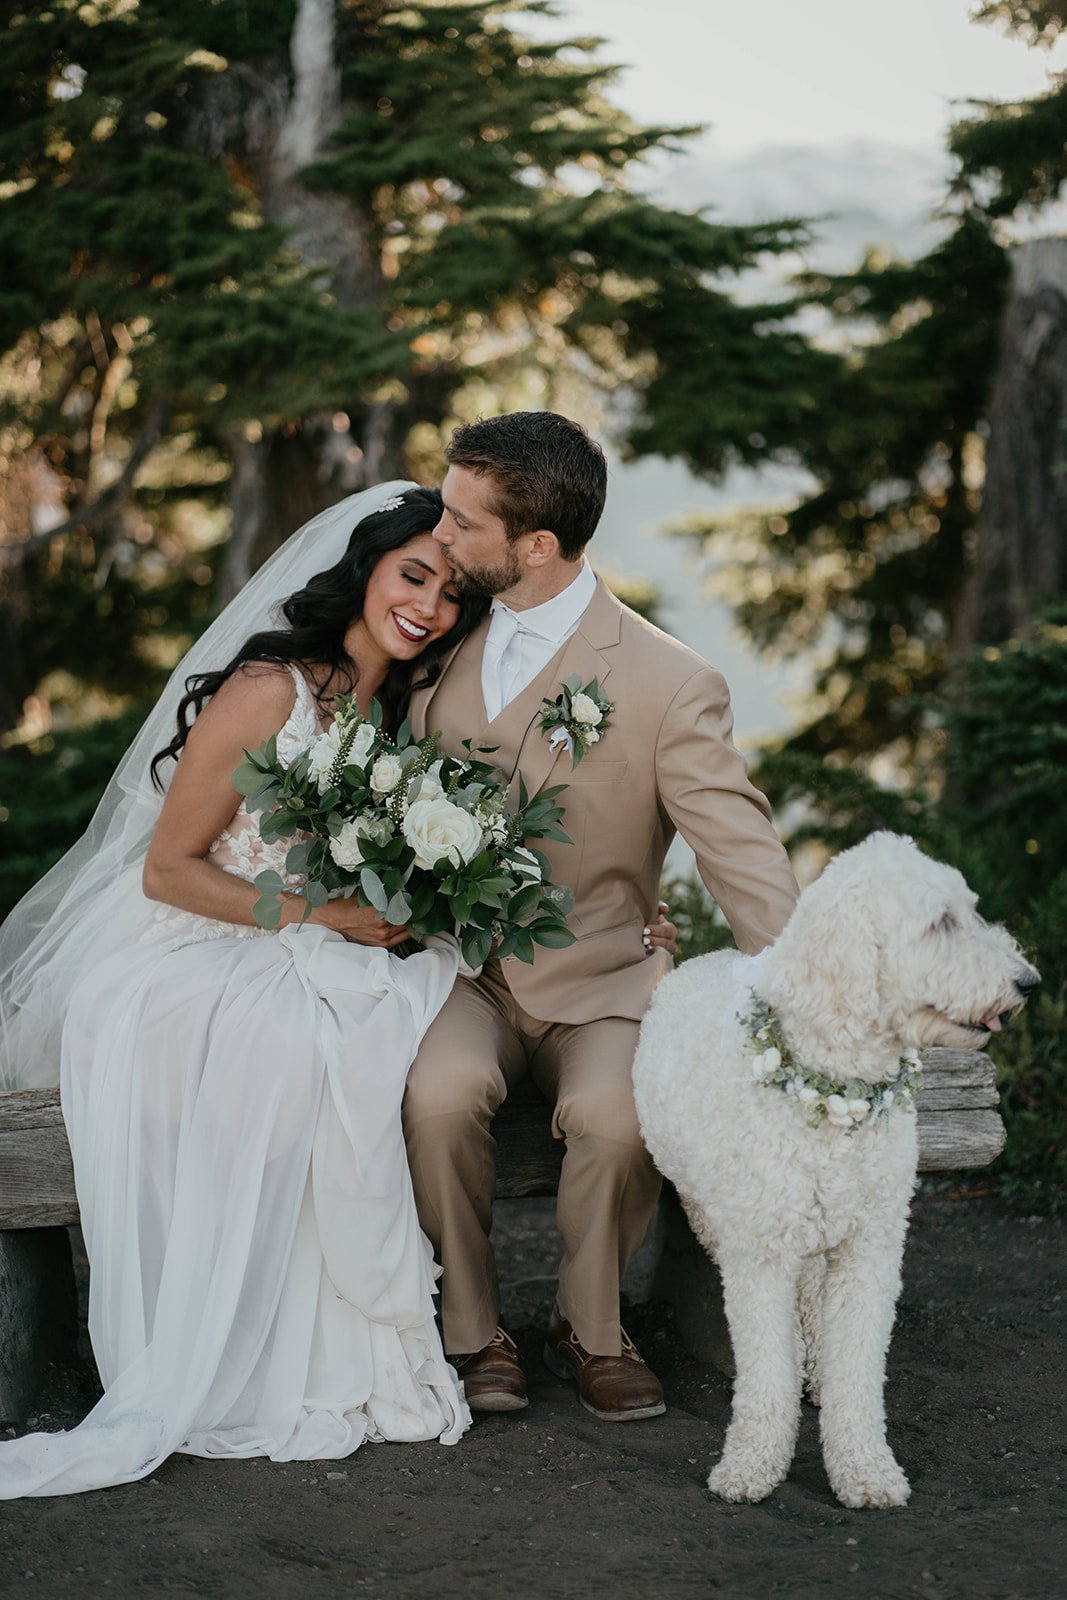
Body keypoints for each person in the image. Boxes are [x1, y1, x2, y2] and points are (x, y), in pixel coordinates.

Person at [0, 481, 676, 1498]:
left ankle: (360, 1334)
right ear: (365, 567)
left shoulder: (404, 702)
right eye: (413, 575)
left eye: (454, 594)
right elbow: (169, 870)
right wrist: (324, 920)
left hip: (328, 941)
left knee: (382, 1039)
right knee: (311, 1049)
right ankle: (269, 1348)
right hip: (199, 948)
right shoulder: (271, 688)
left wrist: (633, 914)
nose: (430, 607)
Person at [404, 413, 800, 1421]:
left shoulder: (668, 681)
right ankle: (473, 1330)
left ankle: (590, 1329)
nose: (437, 535)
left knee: (617, 1118)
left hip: (604, 976)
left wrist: (801, 986)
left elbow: (739, 849)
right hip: (461, 970)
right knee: (439, 1094)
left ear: (535, 546)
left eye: (461, 520)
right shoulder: (432, 636)